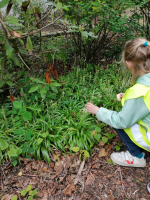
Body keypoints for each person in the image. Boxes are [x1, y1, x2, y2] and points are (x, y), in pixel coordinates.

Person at [86, 38, 150, 168]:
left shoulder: (137, 93)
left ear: (129, 63)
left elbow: (121, 121)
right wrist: (127, 96)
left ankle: (136, 156)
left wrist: (98, 111)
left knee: (118, 120)